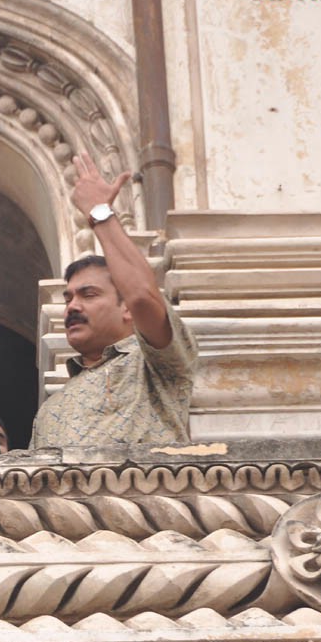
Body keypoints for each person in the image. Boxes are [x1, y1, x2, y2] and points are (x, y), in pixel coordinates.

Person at [31, 152, 197, 447]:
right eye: (68, 299)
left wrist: (100, 214)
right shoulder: (49, 411)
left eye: (89, 294)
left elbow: (142, 296)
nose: (72, 307)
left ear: (126, 308)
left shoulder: (155, 366)